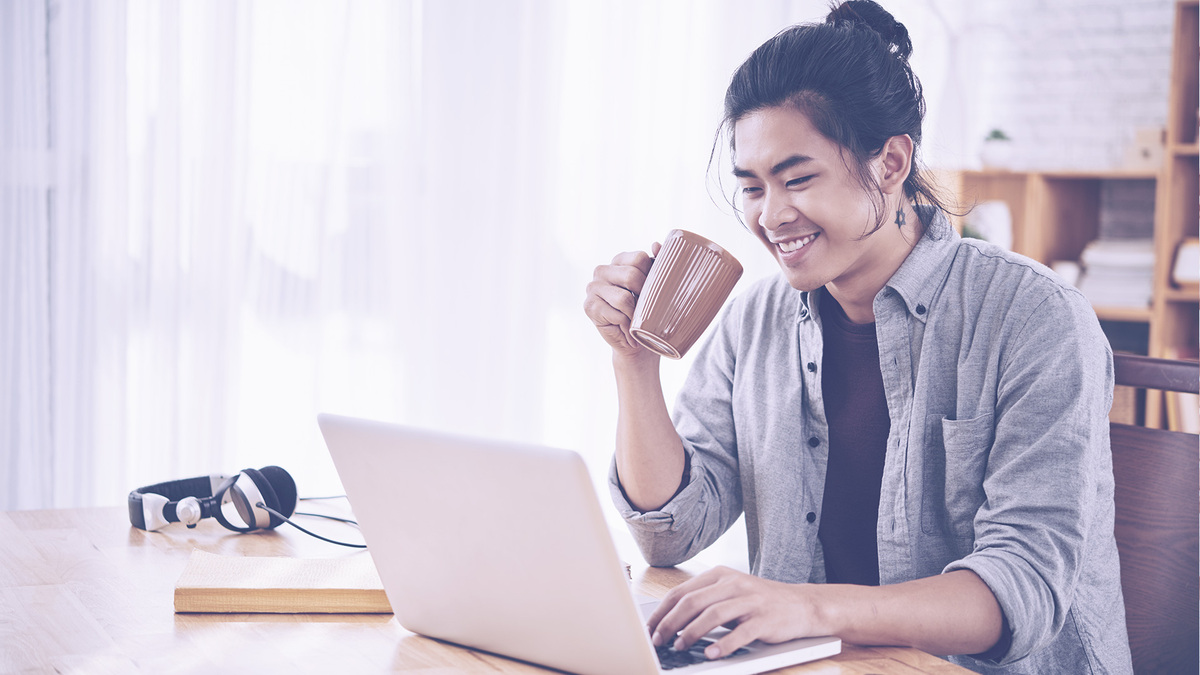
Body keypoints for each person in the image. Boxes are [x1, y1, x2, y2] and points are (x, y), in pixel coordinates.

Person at [581, 2, 1133, 673]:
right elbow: (672, 531)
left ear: (891, 162)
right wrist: (632, 361)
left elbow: (1023, 584)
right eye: (752, 187)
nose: (770, 215)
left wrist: (809, 607)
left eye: (799, 177)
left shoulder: (1035, 316)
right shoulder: (756, 319)